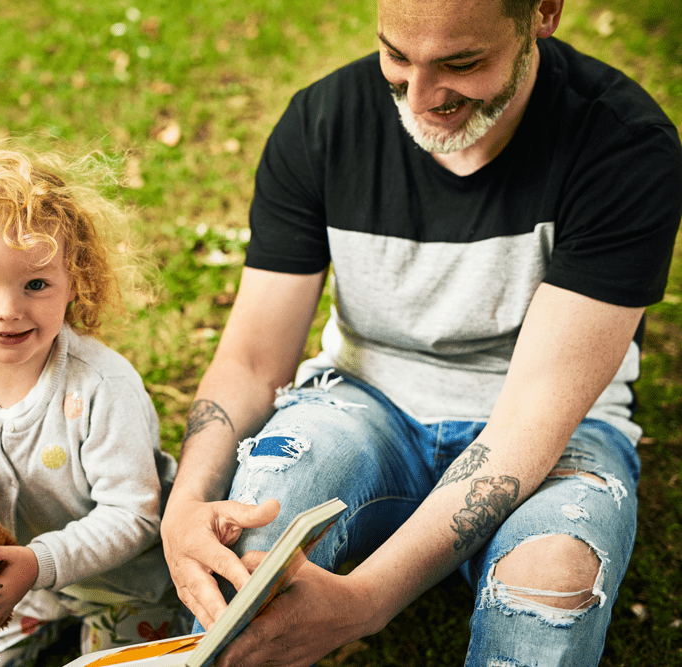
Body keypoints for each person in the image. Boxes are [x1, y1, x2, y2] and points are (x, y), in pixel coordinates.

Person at [160, 0, 682, 665]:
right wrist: (187, 501)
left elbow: (532, 421)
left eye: (462, 63)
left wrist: (367, 600)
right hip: (365, 400)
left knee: (552, 581)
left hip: (556, 429)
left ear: (543, 13)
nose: (422, 96)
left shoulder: (623, 144)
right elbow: (254, 358)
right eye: (397, 57)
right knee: (249, 525)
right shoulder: (322, 122)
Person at [0, 142, 184, 664]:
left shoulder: (102, 386)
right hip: (17, 589)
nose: (8, 310)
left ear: (73, 283)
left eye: (36, 284)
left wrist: (39, 562)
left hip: (123, 585)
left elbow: (135, 516)